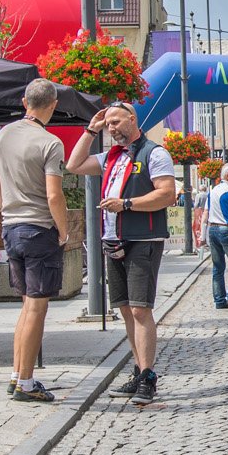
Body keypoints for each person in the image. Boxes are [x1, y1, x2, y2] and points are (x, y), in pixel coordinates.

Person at [66, 102, 178, 402]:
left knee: (141, 308)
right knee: (126, 308)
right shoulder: (109, 157)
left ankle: (148, 376)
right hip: (113, 239)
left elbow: (167, 193)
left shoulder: (154, 153)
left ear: (133, 119)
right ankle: (139, 368)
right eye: (108, 124)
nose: (112, 128)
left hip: (143, 239)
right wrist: (92, 129)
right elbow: (73, 165)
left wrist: (127, 204)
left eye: (116, 122)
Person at [0, 78, 70, 403]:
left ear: (25, 102)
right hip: (39, 228)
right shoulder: (50, 143)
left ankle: (16, 373)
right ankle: (26, 381)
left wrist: (7, 212)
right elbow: (54, 194)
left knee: (26, 304)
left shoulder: (2, 135)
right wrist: (63, 230)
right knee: (37, 307)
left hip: (12, 226)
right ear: (52, 106)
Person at [198, 164, 228, 310]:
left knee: (218, 267)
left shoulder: (213, 191)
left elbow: (205, 214)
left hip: (213, 229)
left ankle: (219, 300)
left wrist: (202, 233)